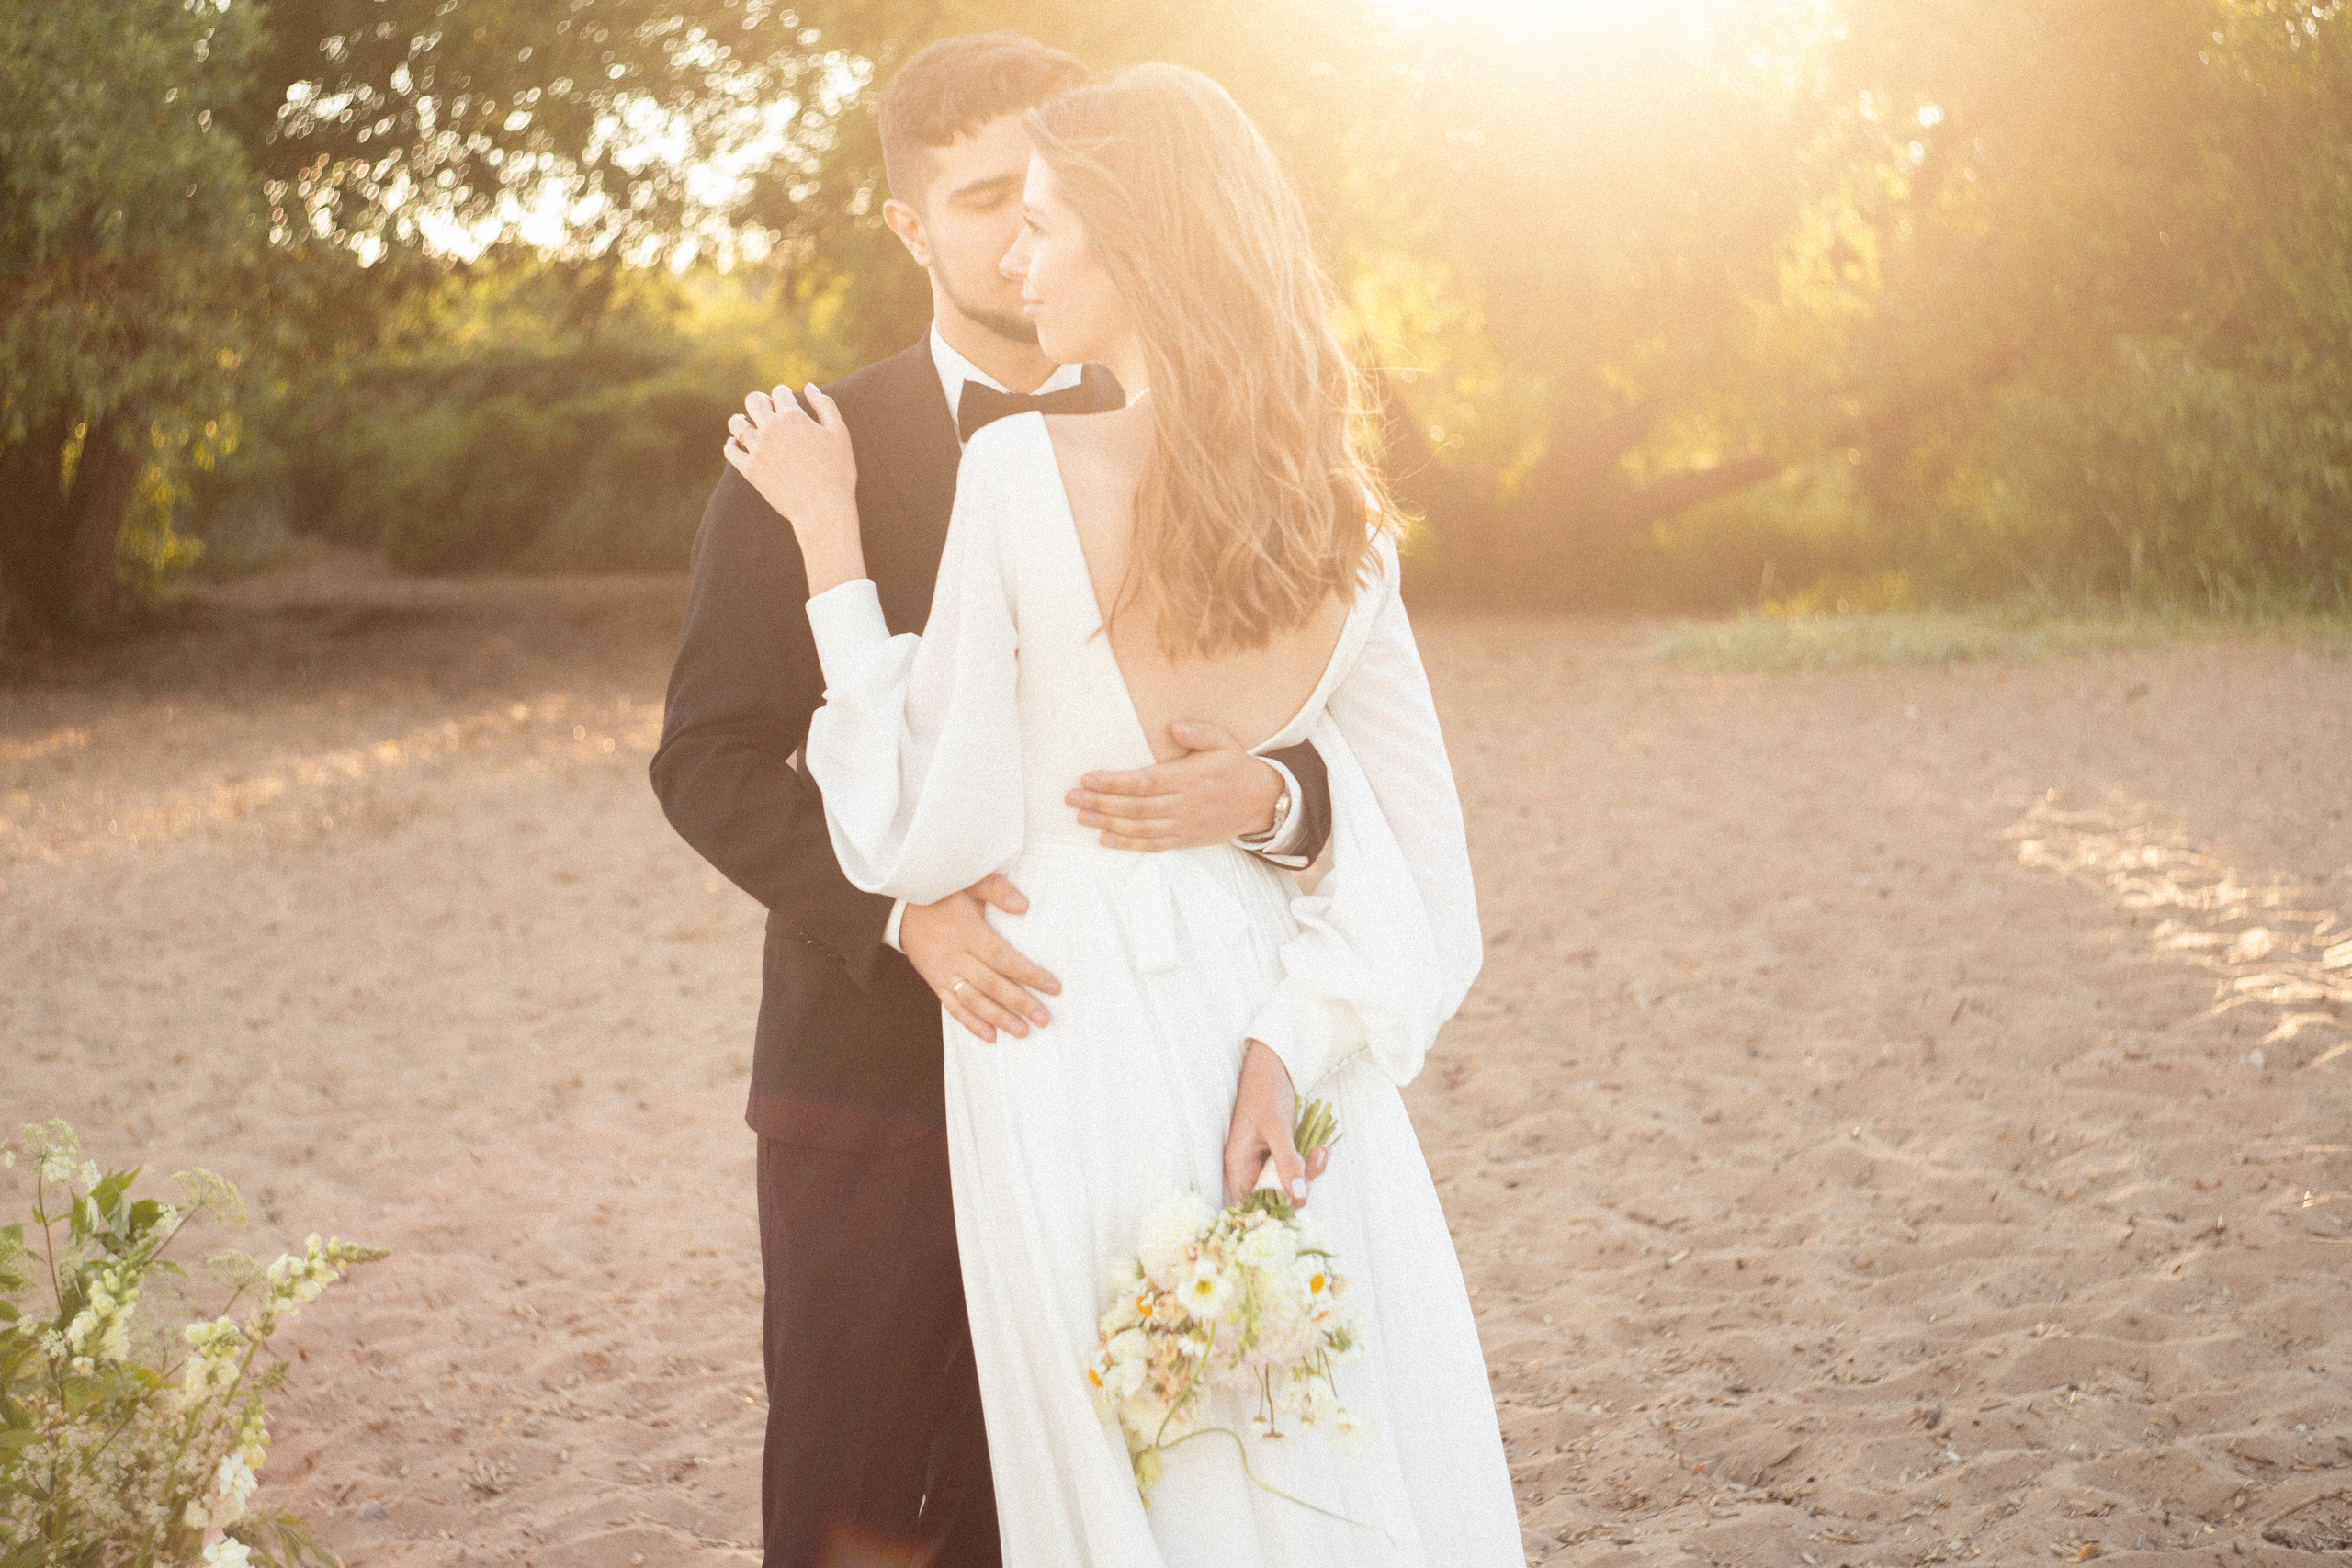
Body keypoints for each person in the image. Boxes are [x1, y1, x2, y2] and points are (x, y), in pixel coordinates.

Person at [725, 61, 1523, 1568]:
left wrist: (831, 544)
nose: (1019, 262)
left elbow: (918, 830)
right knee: (1302, 1443)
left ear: (1133, 245)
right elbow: (1421, 854)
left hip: (1061, 1021)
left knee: (1125, 1468)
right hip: (1260, 1041)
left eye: (1042, 224)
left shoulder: (1022, 467)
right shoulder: (1346, 516)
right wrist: (1286, 1043)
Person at [650, 34, 1338, 1568]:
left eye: (1046, 190)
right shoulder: (803, 454)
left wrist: (1267, 789)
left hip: (1130, 1086)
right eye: (979, 200)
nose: (1022, 231)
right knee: (853, 1501)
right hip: (870, 1087)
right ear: (908, 227)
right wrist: (902, 917)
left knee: (1115, 1499)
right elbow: (703, 758)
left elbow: (1320, 717)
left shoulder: (1199, 435)